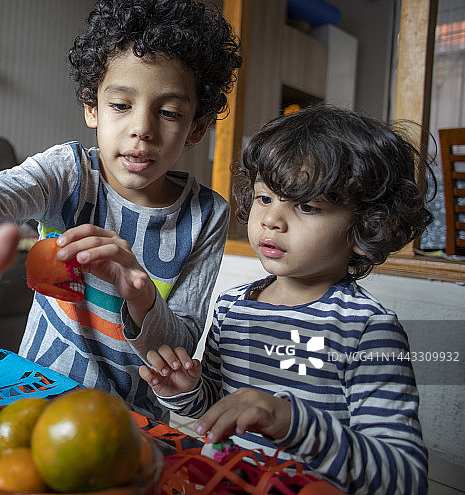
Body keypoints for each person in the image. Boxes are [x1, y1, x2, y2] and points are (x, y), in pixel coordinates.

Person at [0, 0, 242, 422]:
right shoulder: (69, 172)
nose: (142, 128)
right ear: (91, 106)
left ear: (197, 127)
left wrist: (142, 295)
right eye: (120, 105)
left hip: (131, 424)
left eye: (169, 112)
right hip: (36, 398)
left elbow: (180, 347)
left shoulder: (207, 215)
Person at [139, 105, 431, 493]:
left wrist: (290, 420)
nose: (272, 219)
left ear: (366, 225)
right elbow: (219, 411)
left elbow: (403, 477)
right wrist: (184, 391)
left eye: (307, 206)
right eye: (264, 198)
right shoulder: (232, 307)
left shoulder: (366, 329)